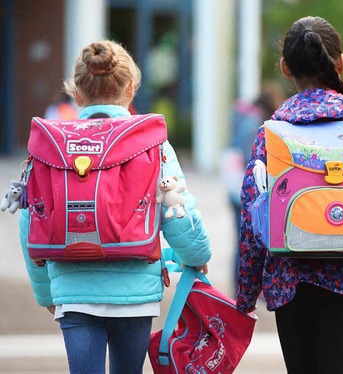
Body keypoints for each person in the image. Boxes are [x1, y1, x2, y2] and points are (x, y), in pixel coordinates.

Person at [19, 40, 211, 374]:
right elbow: (177, 209)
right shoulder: (151, 142)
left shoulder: (51, 146)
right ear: (131, 88)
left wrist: (46, 294)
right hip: (134, 291)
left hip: (74, 290)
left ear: (76, 92)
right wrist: (198, 256)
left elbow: (30, 221)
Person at [236, 16, 343, 374]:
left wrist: (246, 291)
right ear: (341, 62)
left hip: (290, 280)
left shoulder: (273, 134)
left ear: (285, 68)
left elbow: (253, 217)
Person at [224, 84, 283, 294]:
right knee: (251, 241)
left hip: (235, 189)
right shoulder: (255, 126)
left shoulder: (245, 120)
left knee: (241, 240)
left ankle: (241, 288)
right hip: (247, 192)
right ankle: (248, 289)